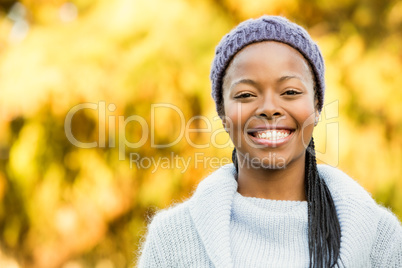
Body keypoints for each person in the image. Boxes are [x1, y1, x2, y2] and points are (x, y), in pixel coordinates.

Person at [137, 15, 402, 268]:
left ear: (317, 105)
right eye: (245, 95)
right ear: (222, 113)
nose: (269, 108)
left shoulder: (380, 238)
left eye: (290, 92)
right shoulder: (174, 239)